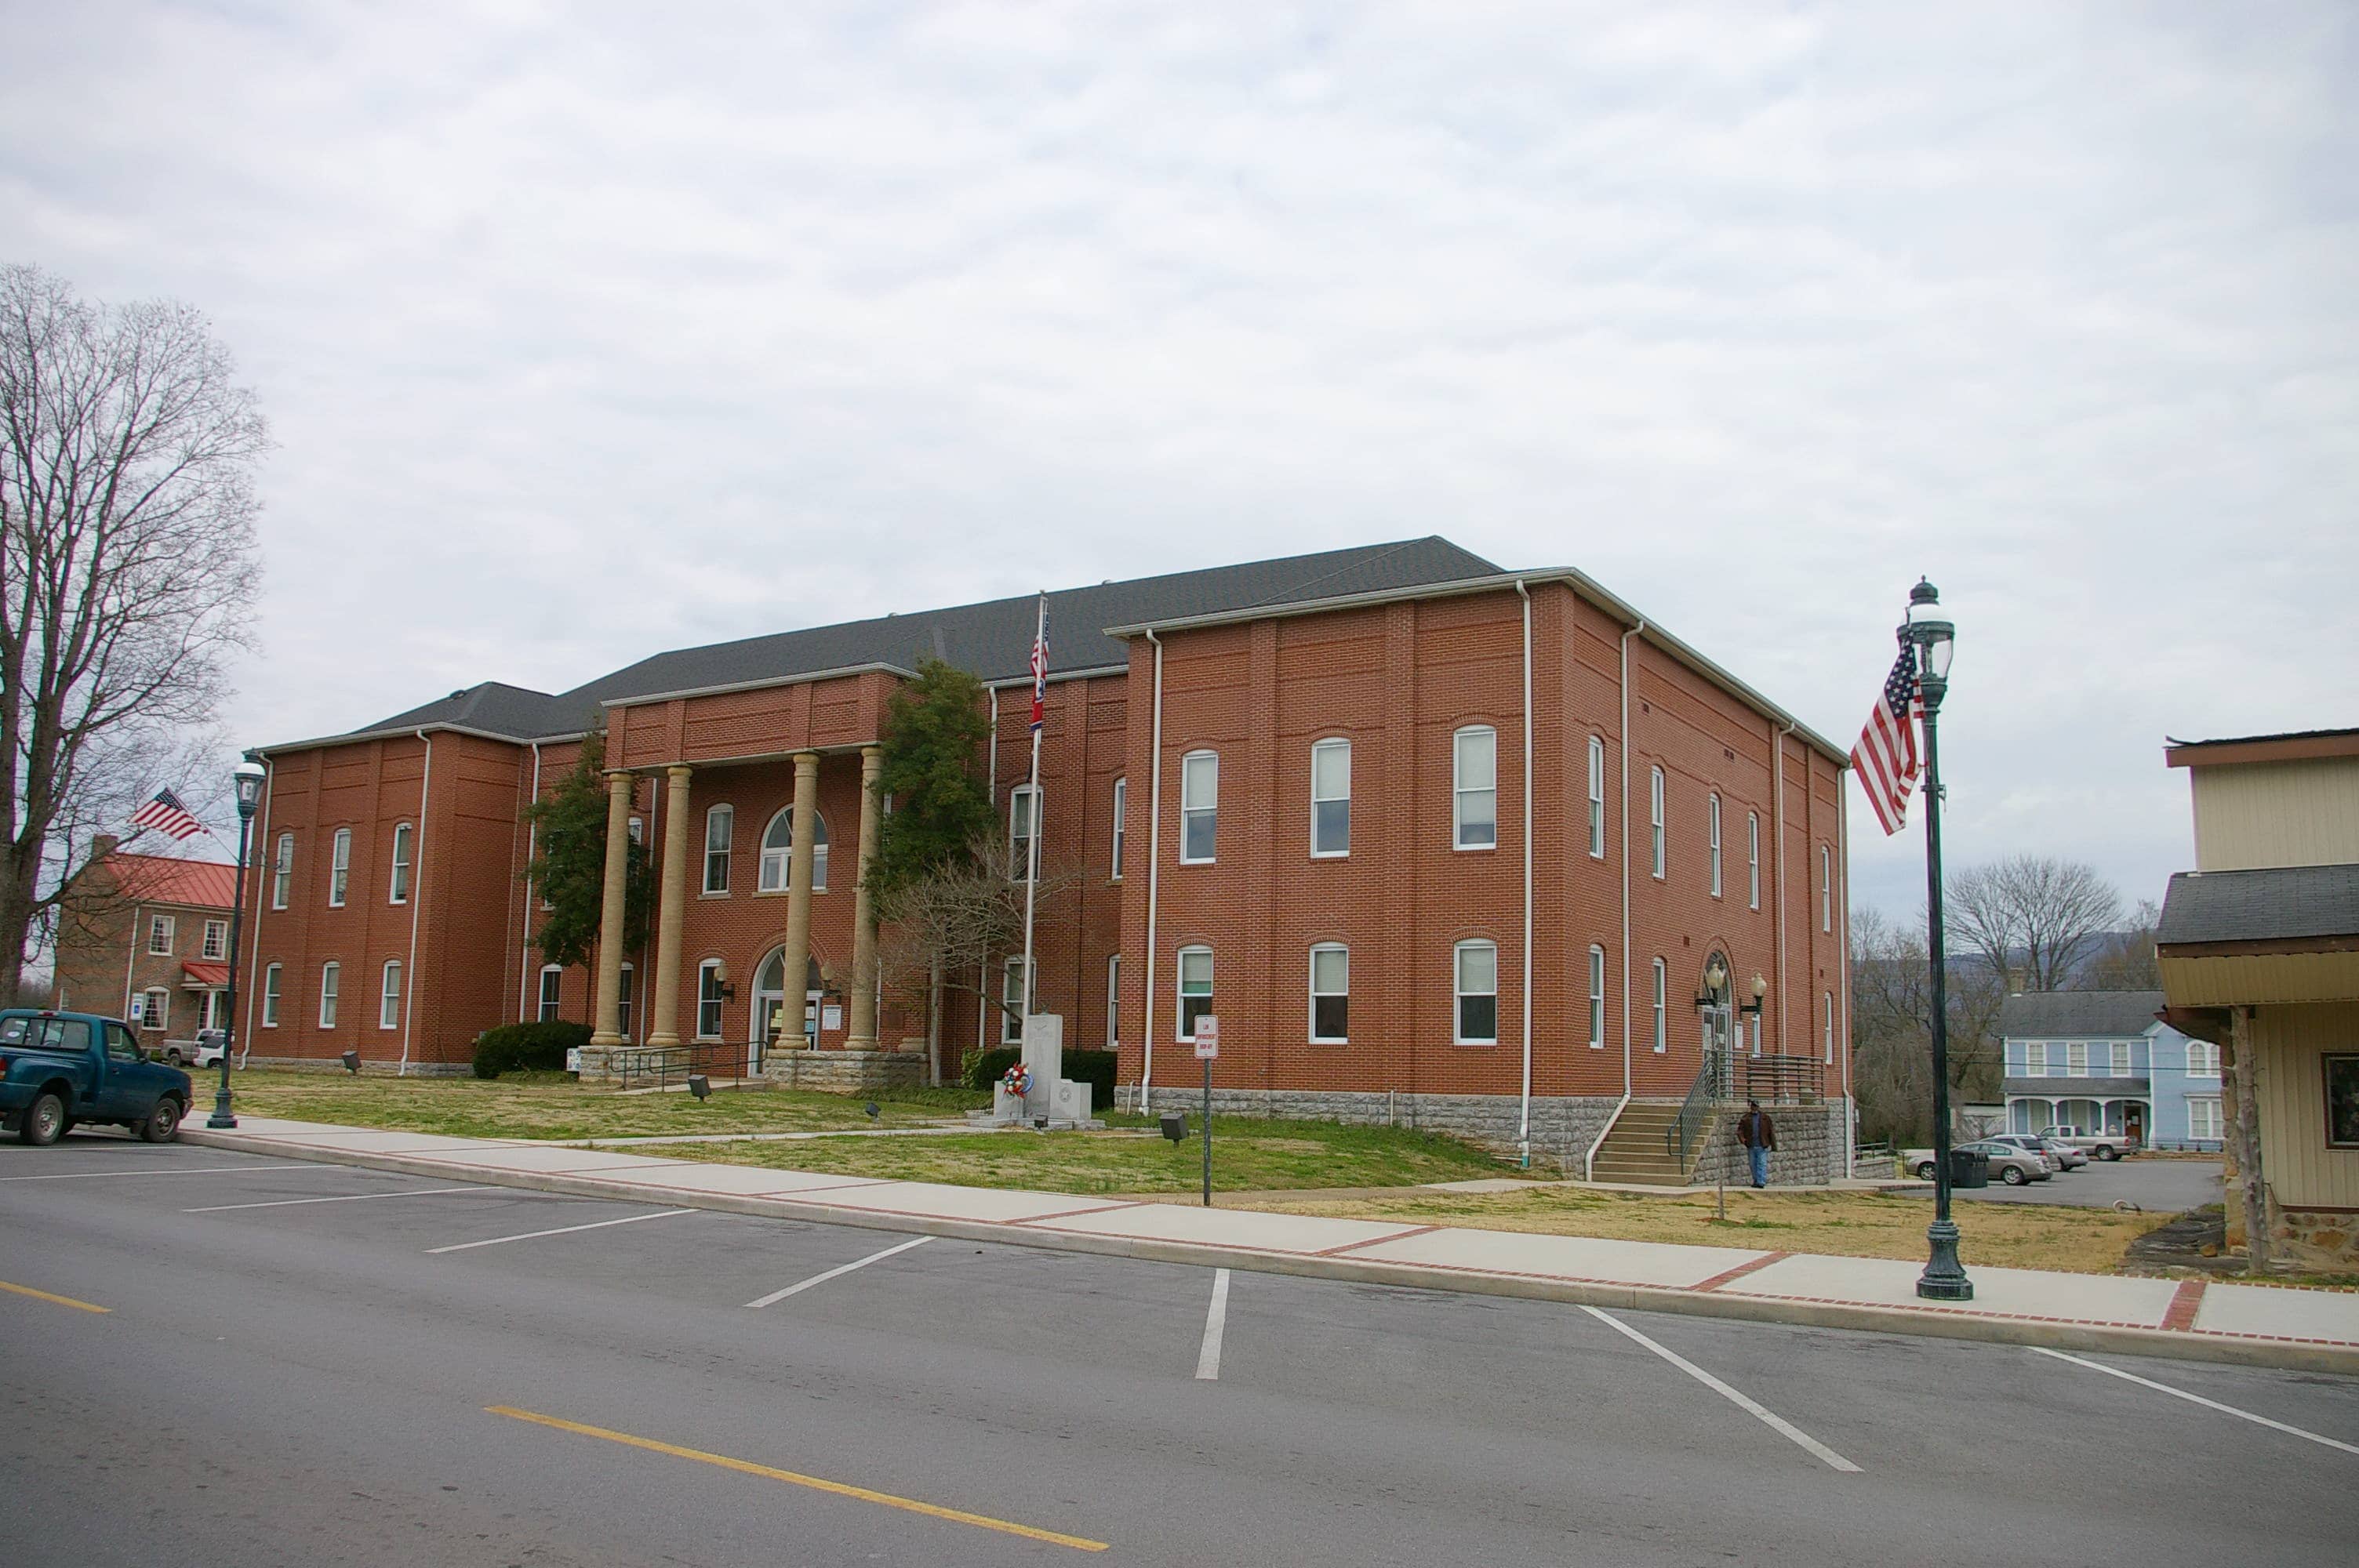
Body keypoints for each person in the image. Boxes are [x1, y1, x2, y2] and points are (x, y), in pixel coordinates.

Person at [1736, 1098, 1776, 1189]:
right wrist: (1743, 1139)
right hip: (1751, 1145)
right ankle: (1756, 1180)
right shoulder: (1746, 1118)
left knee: (1762, 1163)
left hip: (1762, 1145)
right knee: (1753, 1164)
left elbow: (1771, 1131)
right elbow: (1740, 1130)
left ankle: (1761, 1182)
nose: (1754, 1108)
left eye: (1756, 1106)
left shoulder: (1765, 1118)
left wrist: (1772, 1144)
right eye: (1753, 1106)